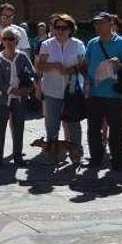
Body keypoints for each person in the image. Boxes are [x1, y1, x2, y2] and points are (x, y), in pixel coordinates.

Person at [0, 4, 31, 161]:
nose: (7, 19)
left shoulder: (20, 32)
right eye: (4, 16)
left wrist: (26, 80)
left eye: (10, 16)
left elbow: (26, 53)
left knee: (15, 115)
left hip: (15, 79)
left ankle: (16, 149)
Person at [85, 11, 122, 171]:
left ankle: (116, 160)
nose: (98, 26)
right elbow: (86, 65)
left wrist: (119, 65)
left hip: (114, 94)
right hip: (95, 94)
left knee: (115, 129)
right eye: (96, 23)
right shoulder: (92, 43)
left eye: (101, 23)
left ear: (110, 23)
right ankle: (96, 158)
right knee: (93, 129)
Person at [36, 13, 84, 147]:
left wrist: (70, 70)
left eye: (64, 28)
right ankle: (52, 153)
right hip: (52, 90)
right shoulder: (46, 45)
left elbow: (83, 66)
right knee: (52, 125)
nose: (60, 31)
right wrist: (54, 65)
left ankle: (76, 153)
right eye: (57, 27)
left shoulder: (78, 44)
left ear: (70, 29)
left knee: (74, 124)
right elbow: (39, 66)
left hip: (72, 90)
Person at [0, 26, 35, 168]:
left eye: (11, 39)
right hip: (2, 98)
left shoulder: (22, 56)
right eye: (5, 39)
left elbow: (33, 73)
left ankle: (18, 157)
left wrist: (29, 86)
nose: (8, 41)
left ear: (17, 40)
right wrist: (14, 91)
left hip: (20, 98)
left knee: (18, 128)